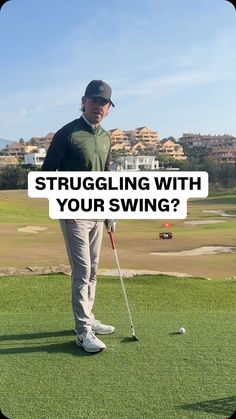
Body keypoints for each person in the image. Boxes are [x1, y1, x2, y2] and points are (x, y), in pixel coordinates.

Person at [42, 80, 116, 353]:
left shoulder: (106, 137)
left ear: (108, 109)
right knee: (82, 270)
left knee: (94, 268)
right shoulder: (68, 134)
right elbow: (47, 175)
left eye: (104, 103)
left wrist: (111, 210)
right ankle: (83, 332)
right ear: (84, 101)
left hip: (98, 213)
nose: (99, 106)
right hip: (74, 213)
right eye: (95, 101)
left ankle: (89, 318)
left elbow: (107, 176)